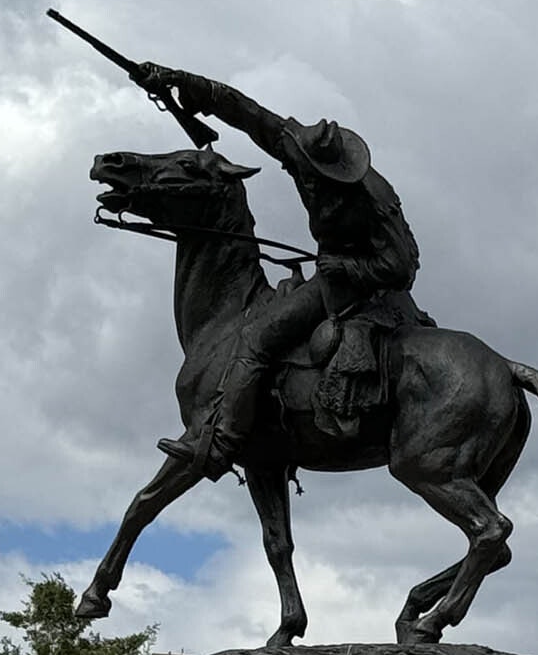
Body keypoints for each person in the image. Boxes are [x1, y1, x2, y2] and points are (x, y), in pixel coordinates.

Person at [138, 63, 420, 479]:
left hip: (368, 293)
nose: (314, 183)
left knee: (255, 337)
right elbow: (247, 113)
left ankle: (221, 442)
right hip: (331, 279)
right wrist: (181, 82)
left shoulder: (375, 198)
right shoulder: (299, 149)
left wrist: (346, 266)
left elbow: (403, 266)